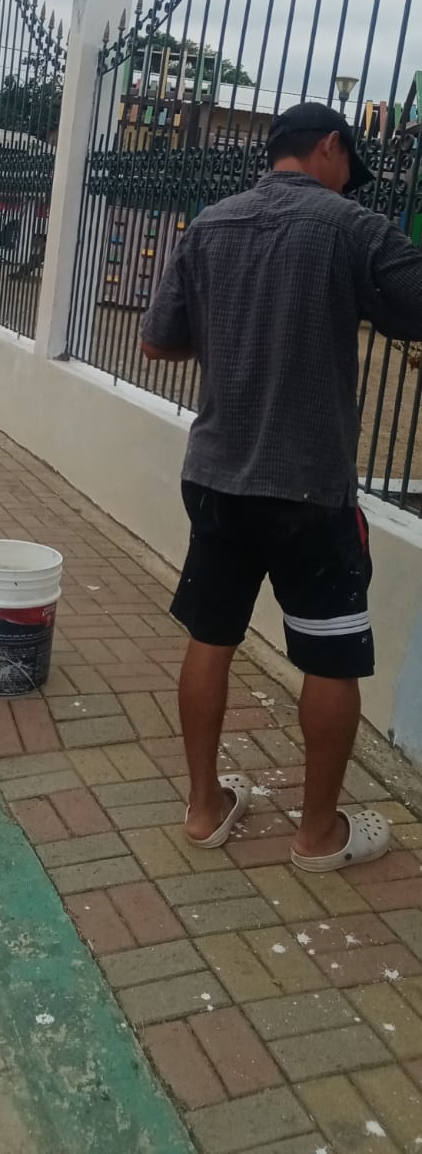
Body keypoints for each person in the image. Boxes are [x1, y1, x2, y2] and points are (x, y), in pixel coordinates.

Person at [141, 101, 422, 873]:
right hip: (308, 490)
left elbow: (158, 340)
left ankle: (204, 810)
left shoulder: (209, 226)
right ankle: (318, 836)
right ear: (328, 146)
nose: (347, 183)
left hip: (216, 478)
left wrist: (234, 332)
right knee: (330, 660)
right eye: (348, 165)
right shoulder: (351, 227)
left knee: (211, 637)